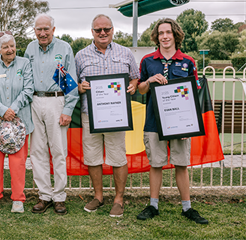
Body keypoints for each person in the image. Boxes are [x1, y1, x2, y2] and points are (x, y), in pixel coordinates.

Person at [136, 18, 208, 224]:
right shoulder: (148, 60)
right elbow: (140, 90)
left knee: (181, 164)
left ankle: (187, 208)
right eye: (160, 33)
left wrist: (189, 124)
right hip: (153, 121)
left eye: (168, 32)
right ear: (156, 37)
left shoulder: (188, 61)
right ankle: (153, 205)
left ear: (175, 34)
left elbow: (193, 94)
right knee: (156, 164)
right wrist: (149, 80)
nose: (164, 36)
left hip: (181, 122)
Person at [75, 14, 139, 218]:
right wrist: (80, 87)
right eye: (98, 30)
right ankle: (99, 196)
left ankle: (118, 199)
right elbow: (73, 85)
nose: (102, 33)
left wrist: (133, 85)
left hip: (116, 115)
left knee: (118, 157)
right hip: (90, 115)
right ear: (91, 32)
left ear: (113, 30)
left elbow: (135, 78)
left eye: (107, 29)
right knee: (93, 157)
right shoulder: (81, 56)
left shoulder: (126, 53)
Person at [24, 13, 79, 215]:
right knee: (37, 152)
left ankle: (60, 196)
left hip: (57, 100)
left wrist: (67, 109)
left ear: (53, 30)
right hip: (34, 101)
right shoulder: (30, 48)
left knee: (58, 151)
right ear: (35, 30)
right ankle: (44, 195)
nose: (42, 33)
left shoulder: (64, 48)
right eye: (39, 29)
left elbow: (71, 81)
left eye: (46, 29)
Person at [0, 31, 34, 214]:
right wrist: (2, 110)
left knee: (18, 163)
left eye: (12, 45)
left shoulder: (24, 64)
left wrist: (13, 109)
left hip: (19, 123)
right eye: (5, 47)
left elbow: (28, 89)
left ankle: (18, 199)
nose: (10, 49)